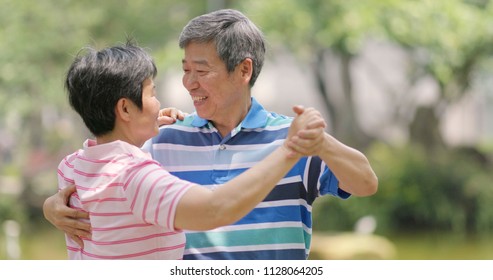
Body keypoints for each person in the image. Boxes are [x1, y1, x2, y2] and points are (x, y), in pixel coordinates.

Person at [44, 9, 378, 260]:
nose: (189, 83)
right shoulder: (163, 140)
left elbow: (365, 183)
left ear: (243, 70)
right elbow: (106, 168)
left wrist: (320, 143)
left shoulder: (291, 137)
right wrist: (54, 206)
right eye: (185, 69)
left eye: (201, 71)